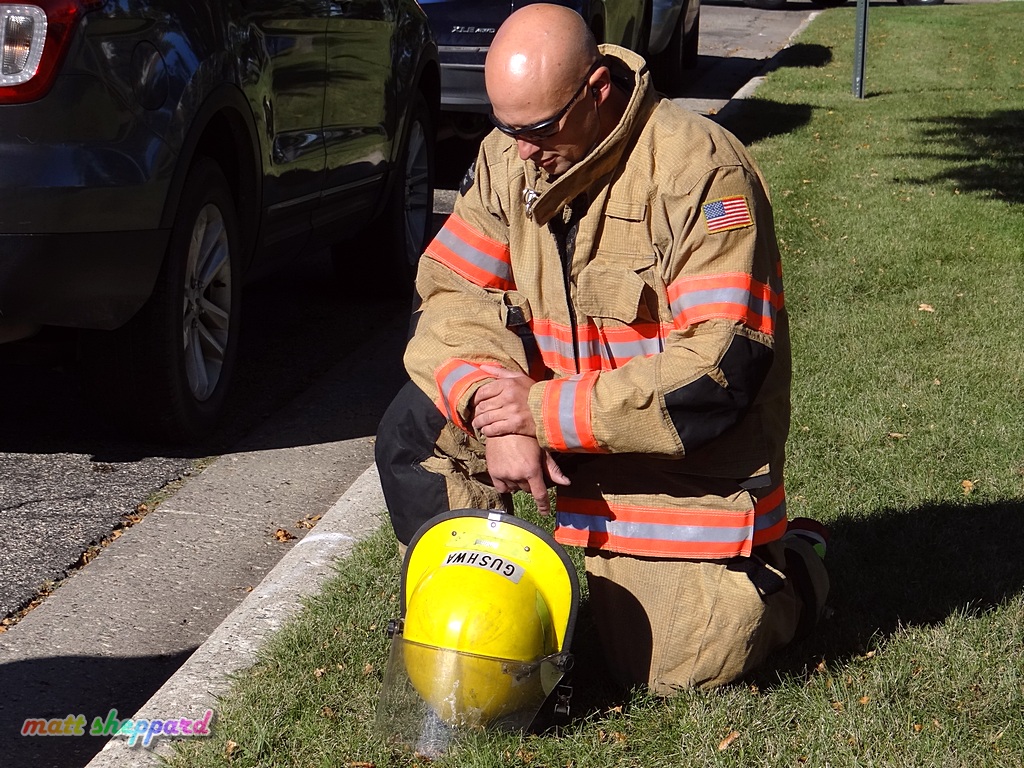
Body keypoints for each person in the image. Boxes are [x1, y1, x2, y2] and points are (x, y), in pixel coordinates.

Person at [375, 2, 829, 694]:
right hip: (558, 423)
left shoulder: (702, 173)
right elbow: (450, 295)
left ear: (598, 91)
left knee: (676, 667)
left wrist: (540, 414)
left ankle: (793, 566)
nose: (520, 149)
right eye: (507, 127)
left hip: (677, 464)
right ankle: (472, 606)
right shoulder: (511, 158)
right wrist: (488, 403)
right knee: (415, 429)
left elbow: (718, 374)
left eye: (537, 128)